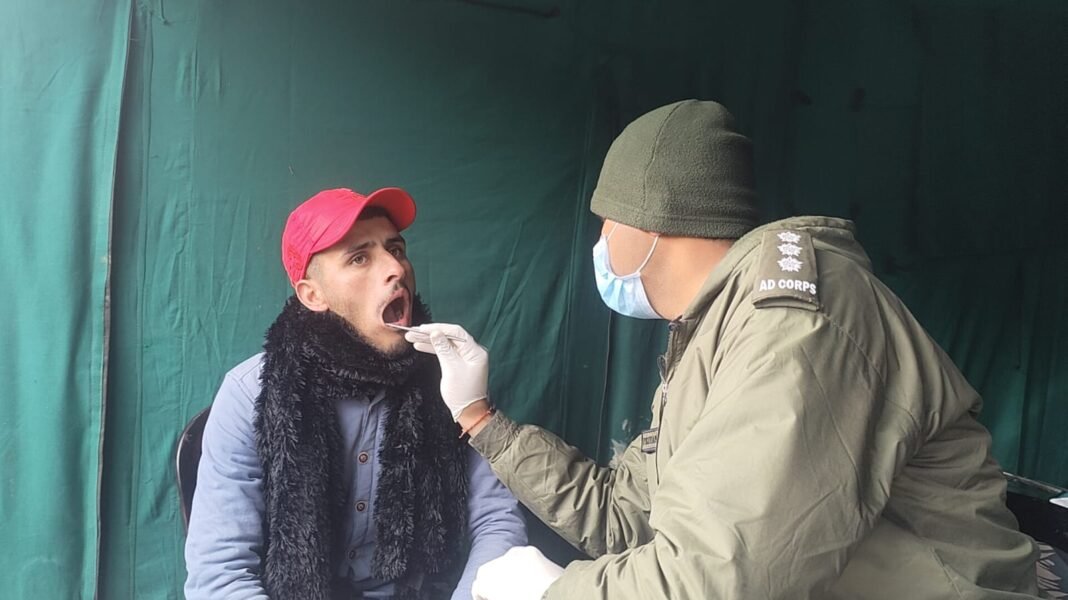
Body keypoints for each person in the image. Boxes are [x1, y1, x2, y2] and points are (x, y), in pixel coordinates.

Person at [407, 100, 1041, 599]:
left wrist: (553, 592)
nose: (600, 244)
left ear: (650, 222)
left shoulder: (794, 323)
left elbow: (724, 579)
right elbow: (630, 520)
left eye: (606, 222)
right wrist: (481, 421)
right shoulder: (710, 334)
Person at [184, 187, 527, 600]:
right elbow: (220, 576)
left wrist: (475, 409)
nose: (394, 269)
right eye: (359, 258)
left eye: (396, 249)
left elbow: (497, 523)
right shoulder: (247, 394)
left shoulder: (452, 383)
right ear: (314, 295)